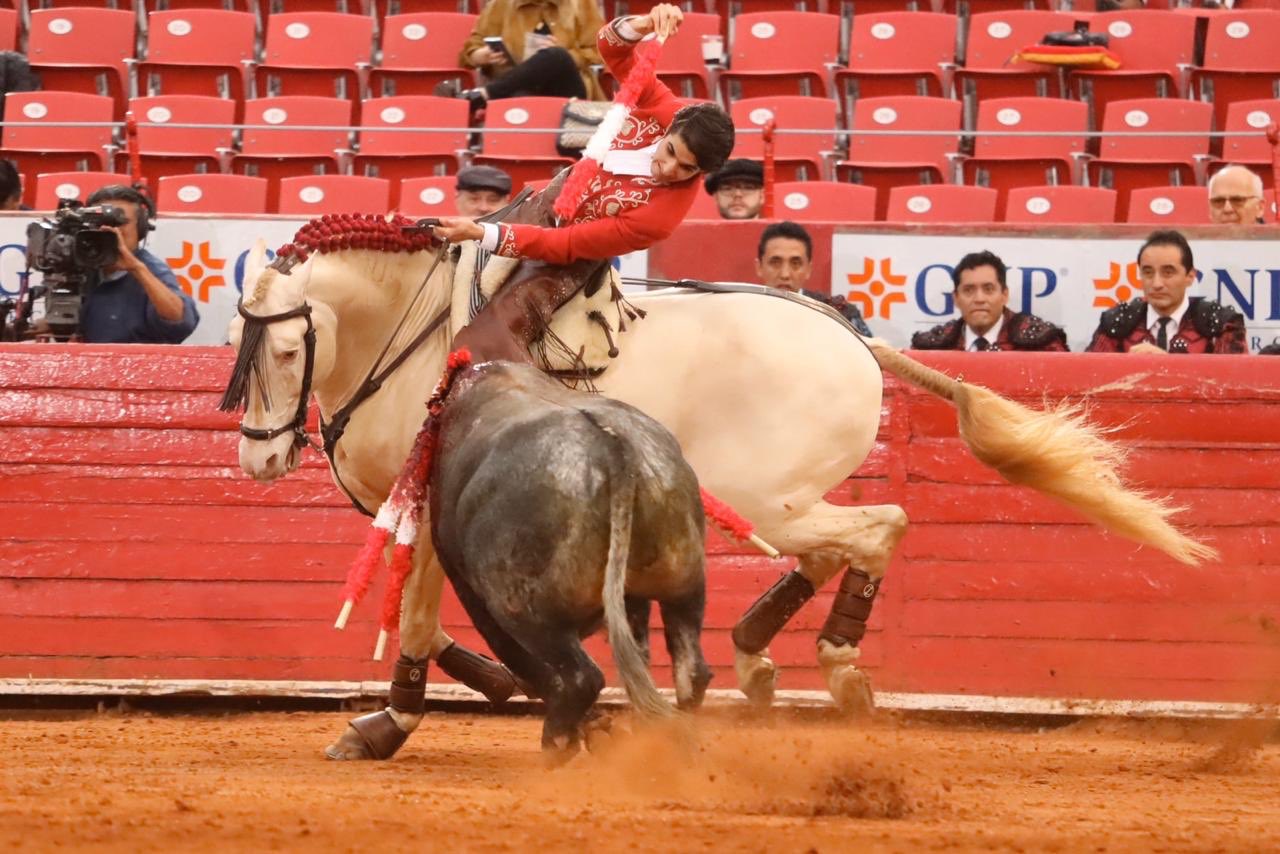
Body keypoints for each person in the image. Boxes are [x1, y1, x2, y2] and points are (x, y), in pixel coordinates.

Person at [432, 5, 735, 363]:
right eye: (670, 151)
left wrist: (483, 234)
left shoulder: (661, 218)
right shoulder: (663, 107)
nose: (669, 169)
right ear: (670, 128)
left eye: (686, 169)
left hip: (569, 259)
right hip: (549, 198)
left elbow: (564, 245)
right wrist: (643, 24)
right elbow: (611, 49)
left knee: (489, 342)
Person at [1086, 229, 1245, 354]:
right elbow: (1090, 380)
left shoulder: (1221, 323)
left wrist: (1166, 365)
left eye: (1168, 273)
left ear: (1190, 276)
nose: (1156, 284)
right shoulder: (1116, 322)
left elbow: (1235, 382)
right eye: (1148, 272)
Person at [78, 185, 198, 344]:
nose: (108, 229)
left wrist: (136, 268)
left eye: (119, 222)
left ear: (140, 228)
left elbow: (181, 321)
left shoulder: (151, 270)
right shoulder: (83, 265)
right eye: (99, 222)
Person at [438, 0, 605, 108]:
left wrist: (564, 55)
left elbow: (598, 50)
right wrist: (481, 55)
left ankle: (484, 95)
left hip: (567, 87)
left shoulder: (582, 3)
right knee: (521, 97)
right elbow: (471, 49)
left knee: (557, 55)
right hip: (516, 86)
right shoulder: (501, 4)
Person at [911, 250, 1068, 351]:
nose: (979, 299)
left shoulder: (1043, 344)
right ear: (955, 298)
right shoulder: (930, 348)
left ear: (1004, 295)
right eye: (968, 290)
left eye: (988, 289)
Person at [757, 221, 871, 335]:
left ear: (808, 269)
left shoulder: (839, 314)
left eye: (795, 263)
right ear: (759, 267)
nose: (785, 274)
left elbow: (873, 352)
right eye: (775, 263)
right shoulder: (743, 312)